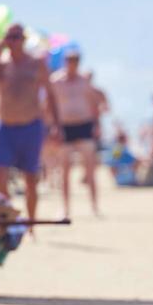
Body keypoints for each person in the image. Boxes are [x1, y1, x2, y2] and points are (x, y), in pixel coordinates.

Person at [0, 24, 60, 224]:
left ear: (23, 39)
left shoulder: (36, 63)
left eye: (16, 37)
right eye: (9, 36)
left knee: (30, 179)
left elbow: (50, 95)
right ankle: (9, 219)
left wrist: (56, 125)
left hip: (30, 126)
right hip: (5, 127)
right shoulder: (0, 63)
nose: (12, 40)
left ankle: (31, 223)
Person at [50, 46, 100, 217]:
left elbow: (94, 103)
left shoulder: (84, 80)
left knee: (90, 168)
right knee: (65, 169)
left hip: (84, 125)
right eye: (70, 60)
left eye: (76, 60)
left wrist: (96, 124)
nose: (73, 64)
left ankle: (94, 206)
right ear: (65, 62)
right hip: (65, 127)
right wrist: (53, 127)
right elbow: (50, 105)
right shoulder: (56, 81)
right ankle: (65, 208)